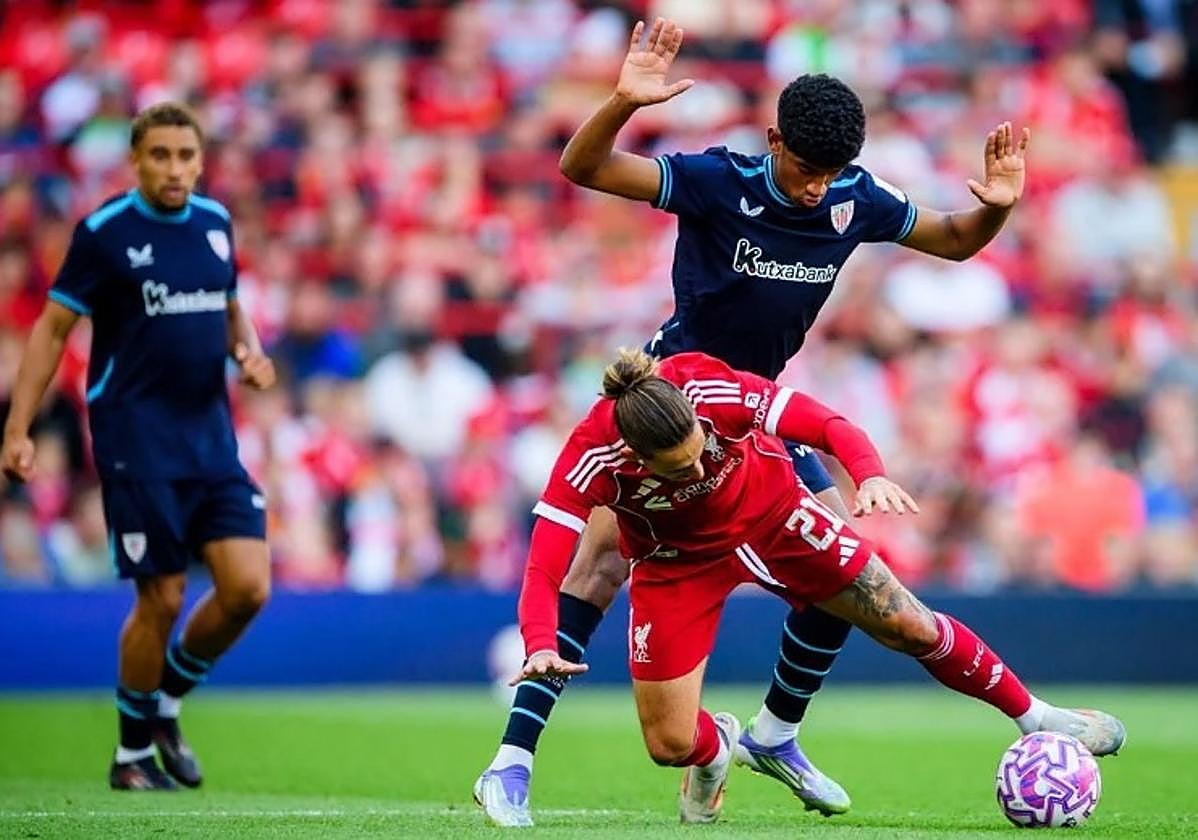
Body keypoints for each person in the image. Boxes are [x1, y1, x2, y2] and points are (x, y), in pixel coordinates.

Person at [476, 17, 1033, 826]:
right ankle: (513, 759)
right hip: (677, 402)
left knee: (841, 567)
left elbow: (952, 240)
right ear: (774, 140)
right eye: (804, 169)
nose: (814, 188)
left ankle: (775, 734)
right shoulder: (716, 182)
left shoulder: (853, 196)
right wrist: (622, 102)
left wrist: (997, 210)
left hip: (759, 414)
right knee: (595, 565)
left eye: (829, 173)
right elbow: (584, 165)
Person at [502, 347, 1124, 825]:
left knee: (905, 619)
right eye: (679, 467)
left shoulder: (713, 391)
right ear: (634, 453)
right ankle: (720, 748)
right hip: (676, 561)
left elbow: (826, 423)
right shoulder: (592, 453)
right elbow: (543, 564)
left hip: (778, 518)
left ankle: (1037, 716)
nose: (698, 466)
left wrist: (868, 475)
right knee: (668, 744)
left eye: (701, 449)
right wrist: (538, 641)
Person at [1, 102, 275, 791]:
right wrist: (17, 426)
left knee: (247, 587)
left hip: (211, 437)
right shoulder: (106, 234)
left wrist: (248, 350)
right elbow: (53, 330)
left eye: (186, 155)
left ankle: (165, 702)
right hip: (136, 440)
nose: (175, 168)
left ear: (201, 159)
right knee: (163, 597)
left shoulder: (215, 224)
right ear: (136, 160)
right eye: (161, 155)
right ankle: (130, 757)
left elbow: (229, 305)